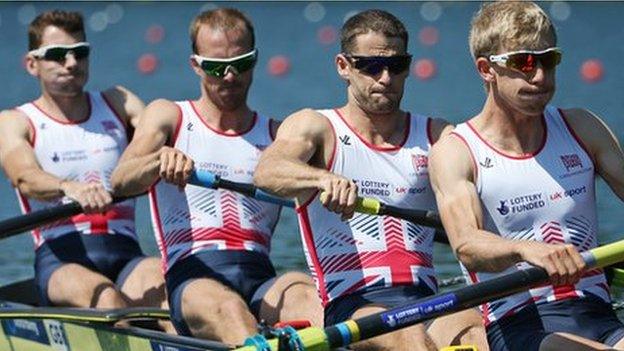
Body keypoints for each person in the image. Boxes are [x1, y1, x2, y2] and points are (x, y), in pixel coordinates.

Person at [253, 9, 488, 351]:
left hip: (425, 300)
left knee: (481, 330)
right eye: (370, 66)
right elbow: (267, 171)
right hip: (354, 306)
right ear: (343, 67)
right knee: (408, 338)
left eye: (397, 66)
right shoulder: (318, 128)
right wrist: (322, 179)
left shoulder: (437, 135)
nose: (385, 78)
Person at [110, 8, 322, 345]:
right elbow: (121, 179)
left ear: (255, 60)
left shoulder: (279, 136)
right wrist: (157, 159)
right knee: (230, 310)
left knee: (314, 302)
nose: (228, 76)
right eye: (214, 66)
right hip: (193, 277)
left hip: (261, 278)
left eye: (240, 63)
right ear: (195, 65)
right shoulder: (170, 118)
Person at [429, 2, 624, 351]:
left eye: (549, 60)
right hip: (519, 324)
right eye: (524, 63)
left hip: (598, 316)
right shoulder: (456, 151)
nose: (540, 77)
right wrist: (526, 250)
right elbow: (467, 246)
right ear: (486, 69)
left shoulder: (582, 127)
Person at [0, 10, 169, 319]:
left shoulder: (118, 102)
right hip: (60, 260)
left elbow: (161, 134)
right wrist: (68, 187)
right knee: (106, 299)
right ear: (31, 64)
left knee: (166, 292)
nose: (71, 63)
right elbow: (24, 177)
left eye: (80, 52)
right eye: (57, 55)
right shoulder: (16, 121)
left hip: (125, 252)